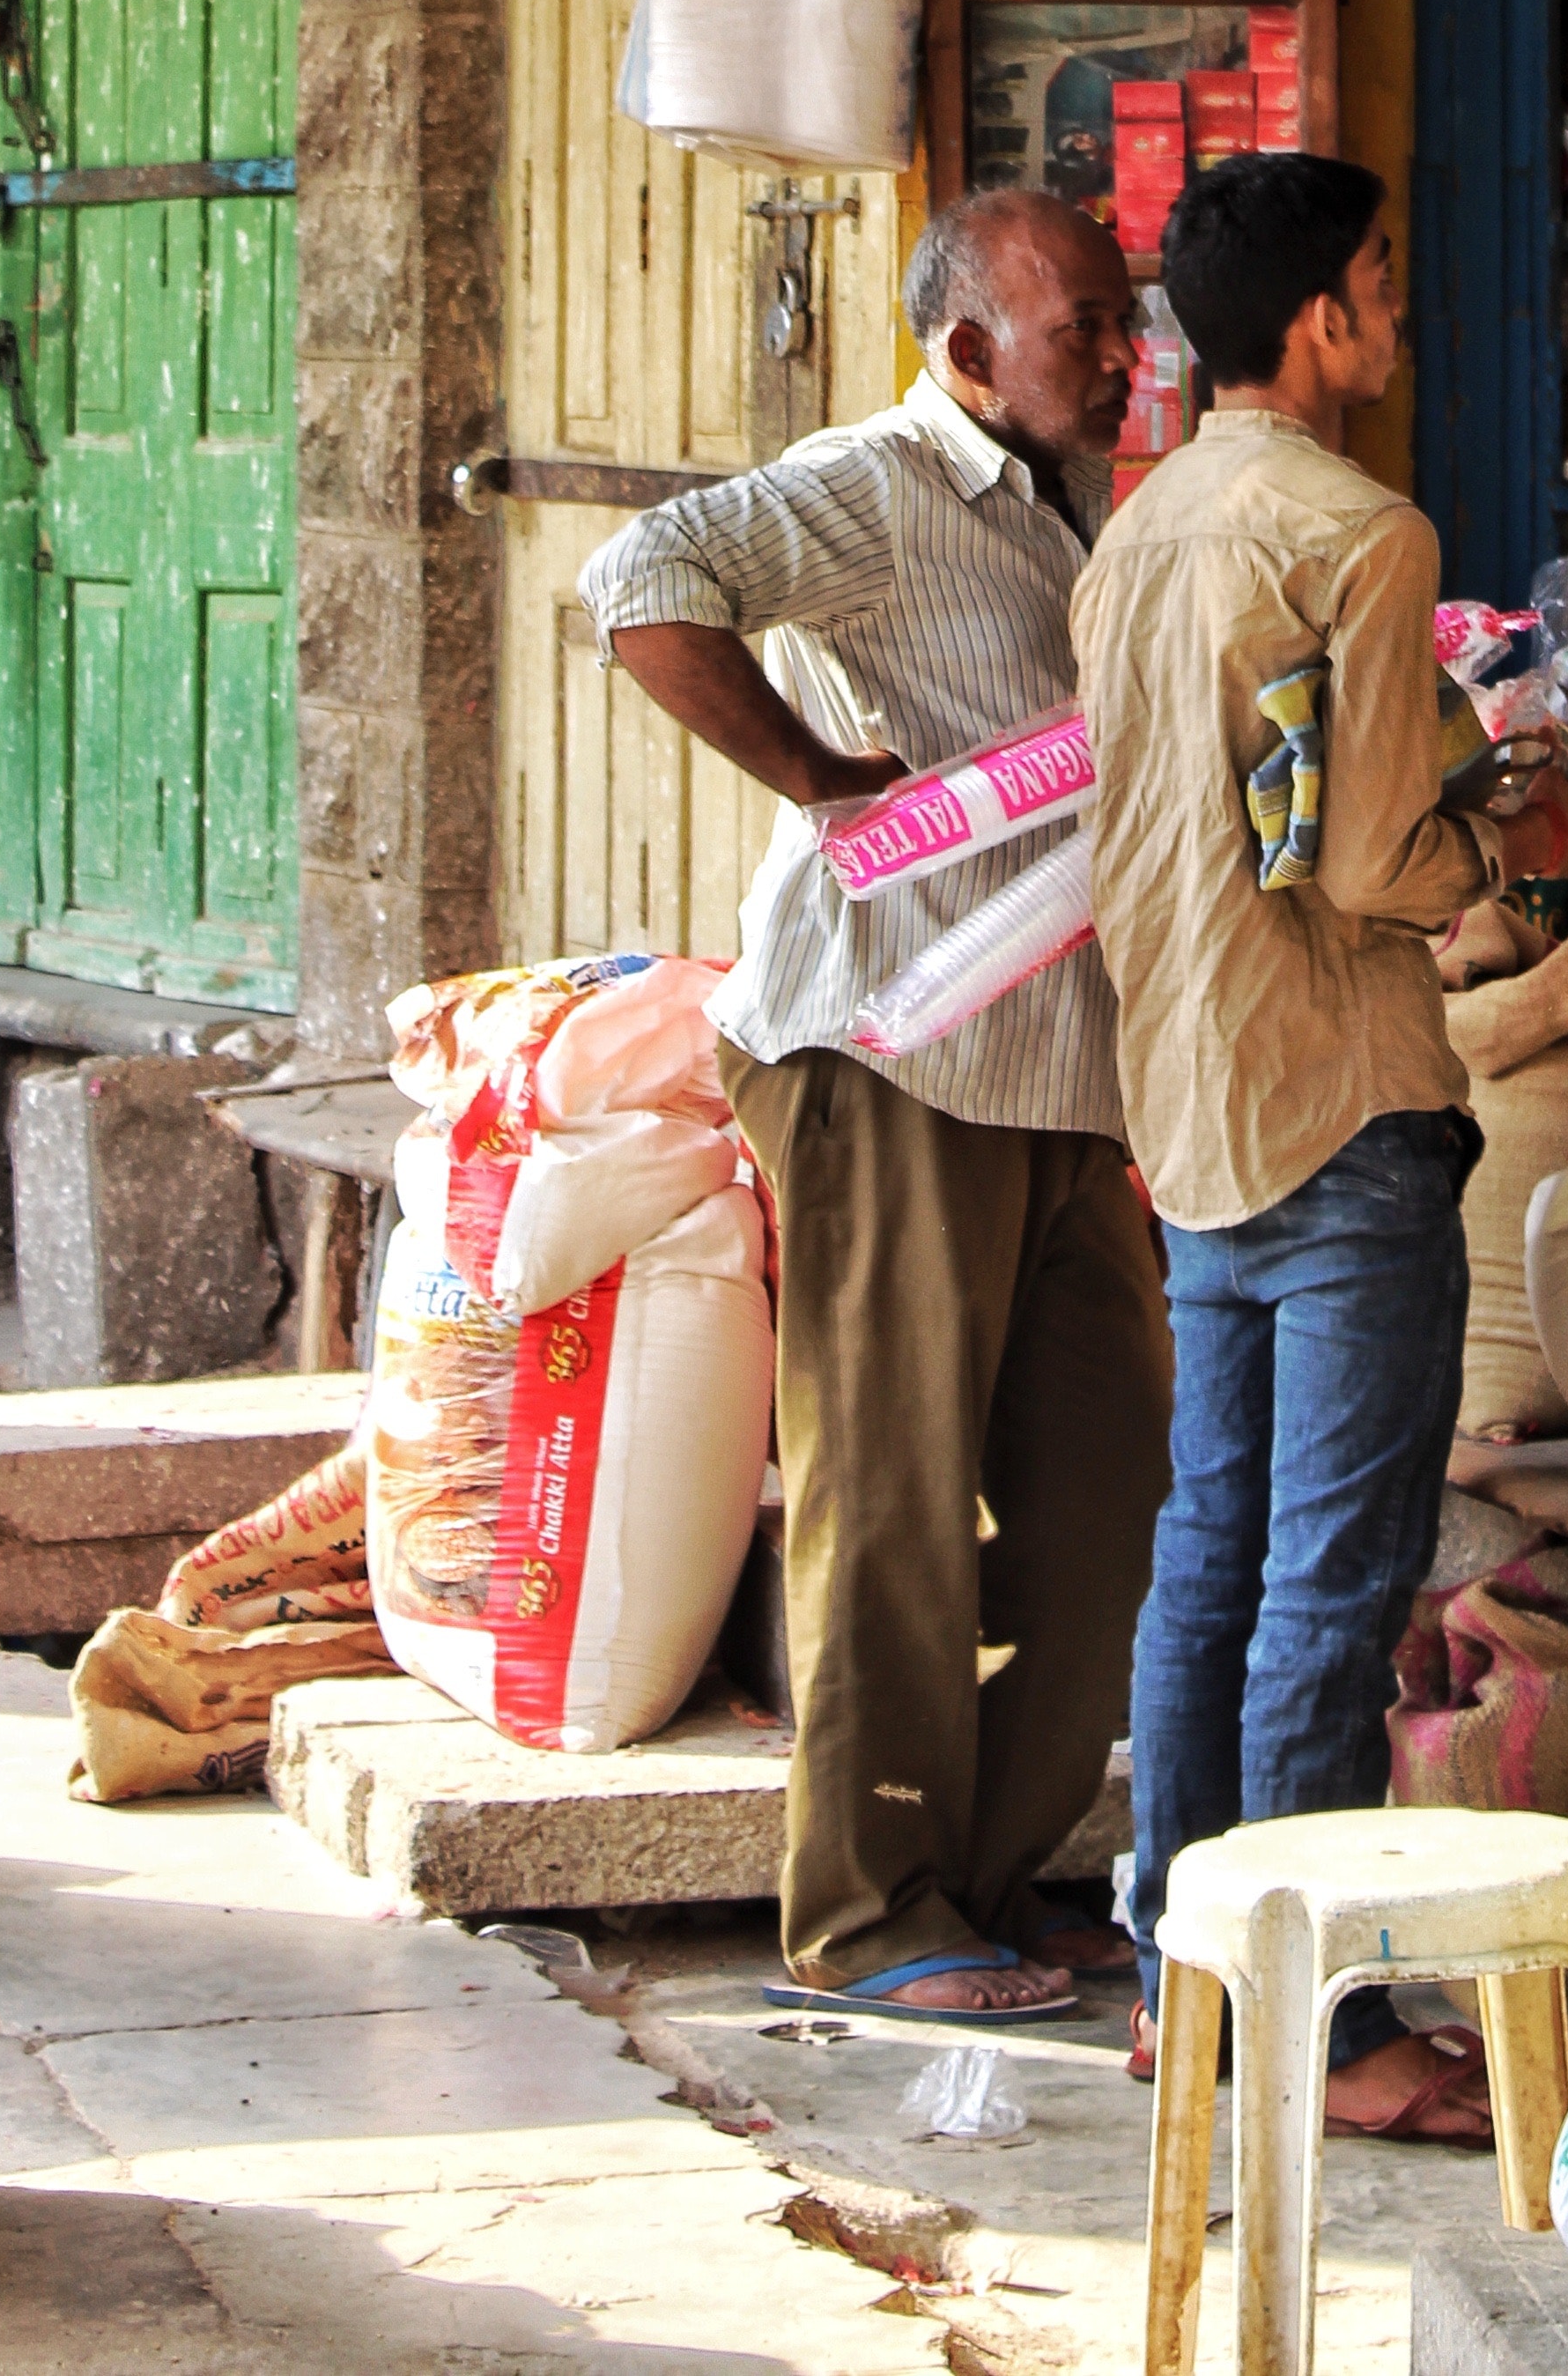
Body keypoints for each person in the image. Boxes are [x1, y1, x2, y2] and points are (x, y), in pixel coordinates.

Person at [1069, 152, 1568, 2139]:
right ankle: (1323, 2017)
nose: (1400, 305)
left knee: (1208, 1562)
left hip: (1196, 1103)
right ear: (1319, 319)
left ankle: (1179, 1978)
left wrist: (1438, 772)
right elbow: (1379, 858)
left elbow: (1237, 803)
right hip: (1348, 1104)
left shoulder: (1142, 528)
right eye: (1382, 276)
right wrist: (1519, 832)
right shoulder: (1364, 532)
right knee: (1329, 1578)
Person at [583, 187, 1169, 2022]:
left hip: (1065, 1075)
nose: (1113, 341)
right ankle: (867, 1906)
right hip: (892, 1053)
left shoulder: (1091, 500)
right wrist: (818, 771)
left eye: (1117, 310)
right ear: (966, 345)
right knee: (895, 1497)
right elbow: (640, 583)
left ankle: (987, 1871)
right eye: (1076, 316)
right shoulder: (878, 481)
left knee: (1111, 1506)